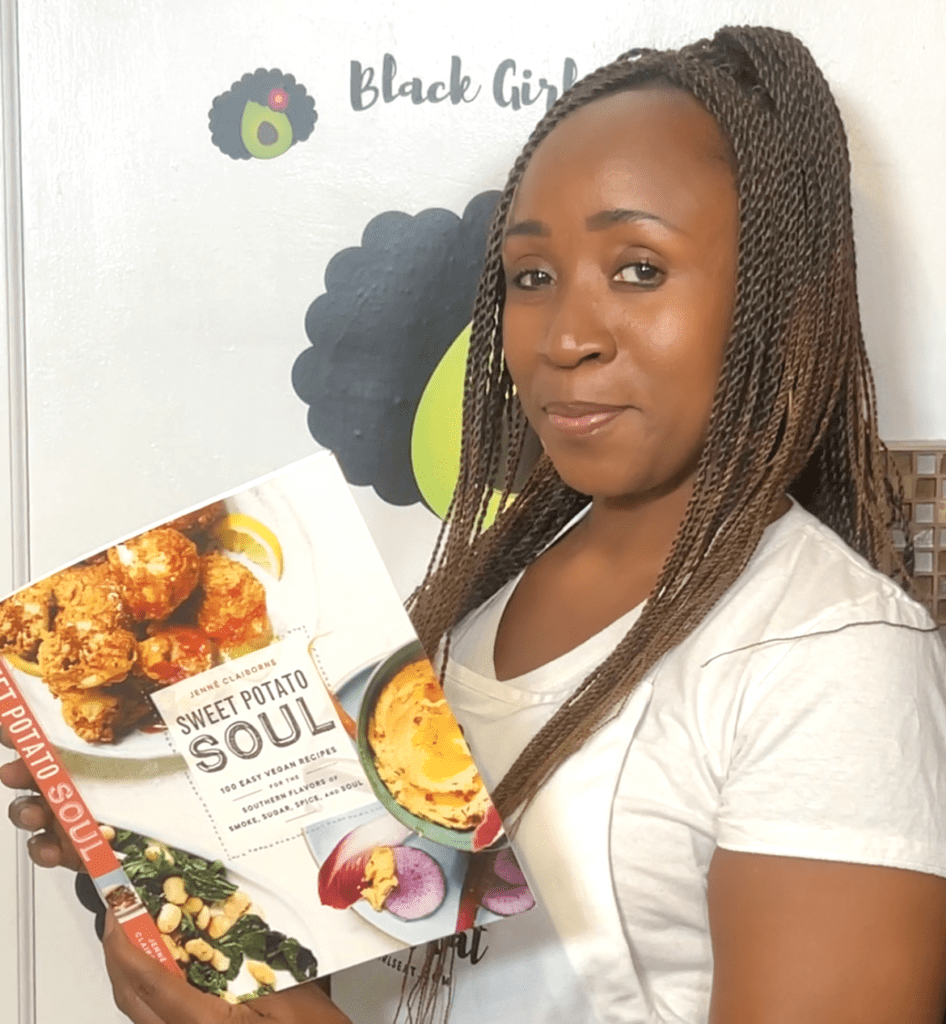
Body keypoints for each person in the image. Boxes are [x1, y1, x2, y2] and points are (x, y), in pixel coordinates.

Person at [5, 23, 946, 1024]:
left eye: (638, 267)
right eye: (532, 276)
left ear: (775, 298)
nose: (568, 336)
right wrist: (181, 856)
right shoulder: (477, 601)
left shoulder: (828, 657)